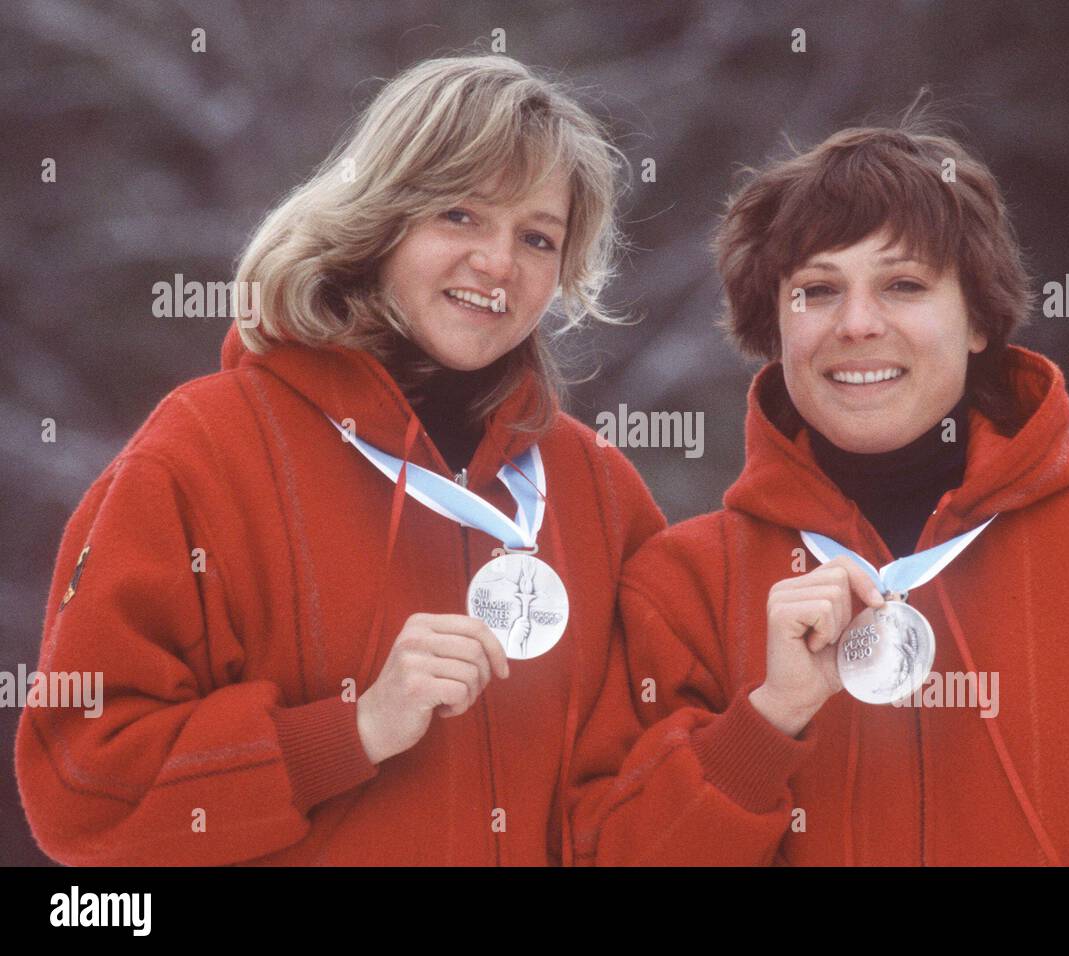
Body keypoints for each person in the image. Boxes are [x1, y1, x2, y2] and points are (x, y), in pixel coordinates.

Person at [569, 117, 1069, 865]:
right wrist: (767, 721)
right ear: (772, 323)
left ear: (979, 318)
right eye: (818, 290)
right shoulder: (680, 589)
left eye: (904, 285)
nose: (856, 324)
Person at [17, 54, 664, 866]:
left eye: (537, 238)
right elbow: (84, 788)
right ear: (383, 218)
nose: (499, 264)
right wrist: (350, 731)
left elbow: (642, 810)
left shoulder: (602, 494)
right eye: (460, 216)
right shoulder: (206, 451)